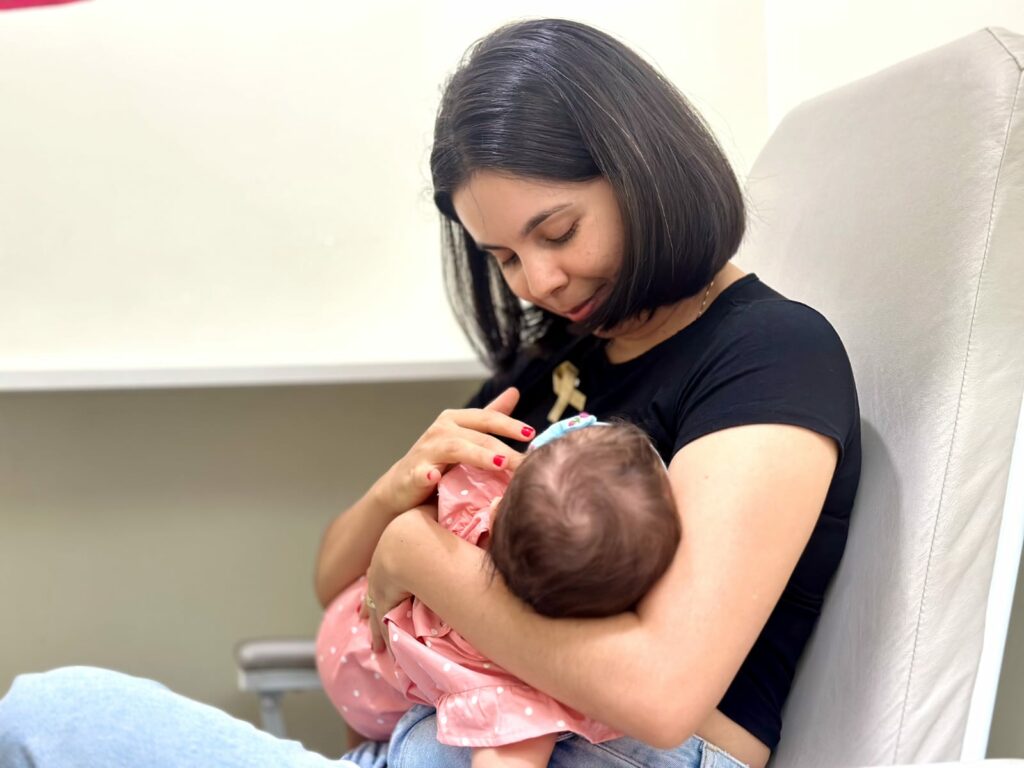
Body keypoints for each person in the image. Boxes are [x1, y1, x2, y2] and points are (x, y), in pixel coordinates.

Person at [0, 17, 860, 768]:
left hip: (611, 748)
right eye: (504, 257)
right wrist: (398, 489)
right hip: (459, 727)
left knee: (49, 718)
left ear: (644, 171)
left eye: (558, 232)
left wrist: (421, 557)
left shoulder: (769, 354)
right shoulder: (563, 355)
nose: (540, 282)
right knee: (48, 715)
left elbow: (661, 694)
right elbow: (337, 576)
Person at [317, 417, 680, 768]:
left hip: (355, 652)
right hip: (369, 692)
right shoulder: (519, 697)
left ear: (496, 510)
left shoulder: (475, 490)